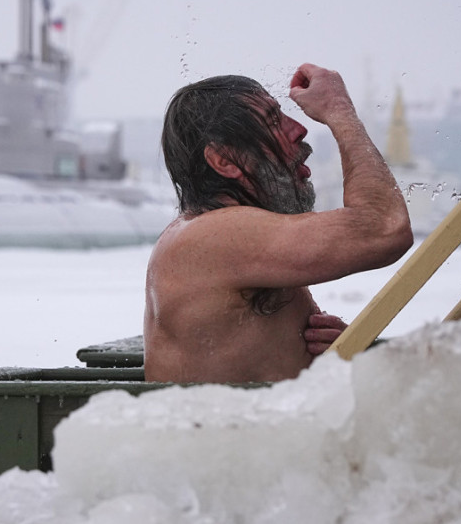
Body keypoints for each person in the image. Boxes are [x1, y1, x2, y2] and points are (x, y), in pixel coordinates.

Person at [144, 63, 413, 383]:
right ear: (225, 160)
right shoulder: (219, 234)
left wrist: (334, 354)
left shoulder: (214, 233)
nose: (299, 129)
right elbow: (385, 227)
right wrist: (338, 110)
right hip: (236, 432)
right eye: (273, 121)